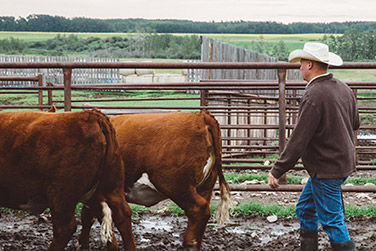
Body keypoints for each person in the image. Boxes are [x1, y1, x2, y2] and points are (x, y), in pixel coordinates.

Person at [268, 42, 359, 251]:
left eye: (301, 64)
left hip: (327, 167)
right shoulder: (343, 88)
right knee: (305, 208)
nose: (300, 68)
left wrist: (278, 169)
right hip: (340, 163)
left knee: (332, 220)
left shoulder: (314, 94)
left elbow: (299, 138)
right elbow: (356, 123)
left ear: (309, 65)